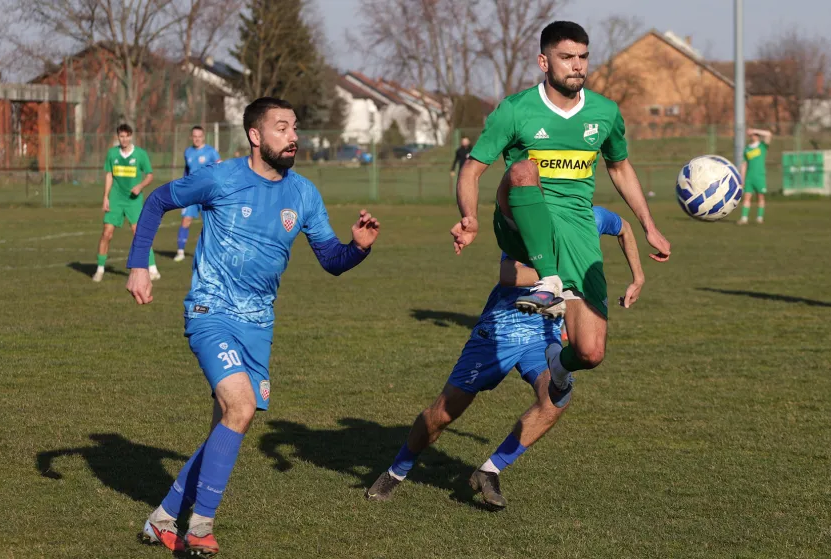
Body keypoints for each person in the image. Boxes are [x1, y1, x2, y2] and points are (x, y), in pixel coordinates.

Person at [125, 97, 380, 555]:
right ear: (256, 136)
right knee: (239, 408)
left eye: (295, 127)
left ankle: (162, 519)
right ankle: (199, 527)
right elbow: (158, 199)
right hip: (211, 311)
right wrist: (138, 264)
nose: (293, 136)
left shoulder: (304, 193)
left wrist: (357, 247)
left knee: (230, 422)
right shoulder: (221, 177)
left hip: (259, 324)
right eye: (281, 127)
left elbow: (331, 261)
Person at [450, 20, 670, 408]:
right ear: (543, 61)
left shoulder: (604, 113)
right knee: (522, 169)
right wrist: (470, 218)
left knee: (590, 352)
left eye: (583, 57)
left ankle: (559, 363)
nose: (577, 65)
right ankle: (548, 281)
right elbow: (472, 168)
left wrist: (649, 226)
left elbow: (619, 167)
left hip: (577, 228)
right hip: (518, 217)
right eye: (566, 57)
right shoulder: (516, 110)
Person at [367, 206, 644, 508]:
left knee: (556, 399)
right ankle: (397, 470)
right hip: (500, 332)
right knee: (443, 414)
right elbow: (507, 273)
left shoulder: (589, 215)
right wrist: (565, 271)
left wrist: (638, 276)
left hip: (544, 336)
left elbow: (625, 229)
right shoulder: (529, 216)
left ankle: (489, 470)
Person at [93, 124, 159, 282]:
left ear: (131, 136)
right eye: (121, 136)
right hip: (116, 199)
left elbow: (150, 175)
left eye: (127, 136)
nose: (124, 139)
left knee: (139, 234)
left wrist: (140, 186)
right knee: (106, 233)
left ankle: (152, 268)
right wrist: (106, 197)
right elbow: (109, 175)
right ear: (118, 137)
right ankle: (100, 269)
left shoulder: (140, 154)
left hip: (133, 201)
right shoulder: (112, 153)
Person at [175, 126, 222, 262]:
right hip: (191, 194)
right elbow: (187, 170)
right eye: (194, 136)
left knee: (209, 223)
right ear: (191, 137)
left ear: (203, 137)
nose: (197, 139)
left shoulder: (211, 152)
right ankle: (180, 252)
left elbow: (220, 168)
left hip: (207, 194)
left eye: (199, 136)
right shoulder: (188, 152)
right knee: (186, 220)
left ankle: (213, 252)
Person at [737, 128, 772, 225]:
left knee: (760, 197)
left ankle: (759, 218)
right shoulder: (747, 149)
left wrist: (755, 130)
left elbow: (768, 134)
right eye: (752, 135)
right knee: (747, 197)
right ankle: (744, 218)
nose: (754, 136)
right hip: (749, 177)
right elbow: (744, 165)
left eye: (756, 135)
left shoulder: (762, 146)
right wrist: (742, 178)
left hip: (760, 176)